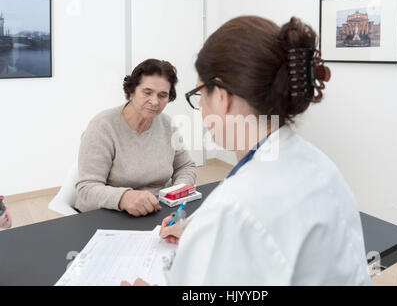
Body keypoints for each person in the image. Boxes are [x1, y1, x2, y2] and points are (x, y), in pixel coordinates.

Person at [123, 16, 370, 285]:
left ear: (221, 96)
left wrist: (209, 237)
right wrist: (199, 234)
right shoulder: (321, 167)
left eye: (199, 94)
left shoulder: (234, 207)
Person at [75, 59, 197, 216]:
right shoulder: (102, 126)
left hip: (158, 210)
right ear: (131, 91)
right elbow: (87, 189)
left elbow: (185, 166)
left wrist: (176, 192)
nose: (154, 101)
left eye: (162, 95)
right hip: (110, 214)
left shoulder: (167, 125)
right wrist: (124, 198)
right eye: (147, 92)